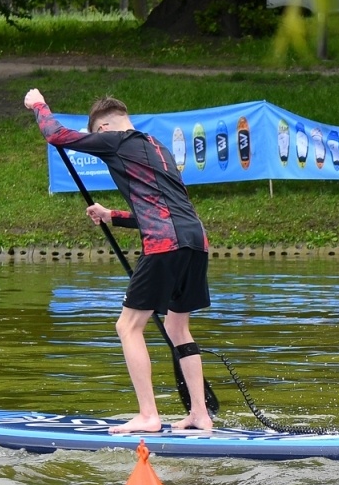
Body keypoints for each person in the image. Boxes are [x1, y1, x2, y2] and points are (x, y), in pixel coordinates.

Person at [24, 88, 213, 435]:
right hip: (196, 240)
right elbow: (163, 207)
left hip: (165, 243)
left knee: (127, 327)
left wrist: (38, 104)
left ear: (105, 128)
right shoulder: (159, 148)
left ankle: (148, 415)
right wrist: (114, 215)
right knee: (177, 328)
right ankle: (199, 413)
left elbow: (55, 135)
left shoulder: (114, 141)